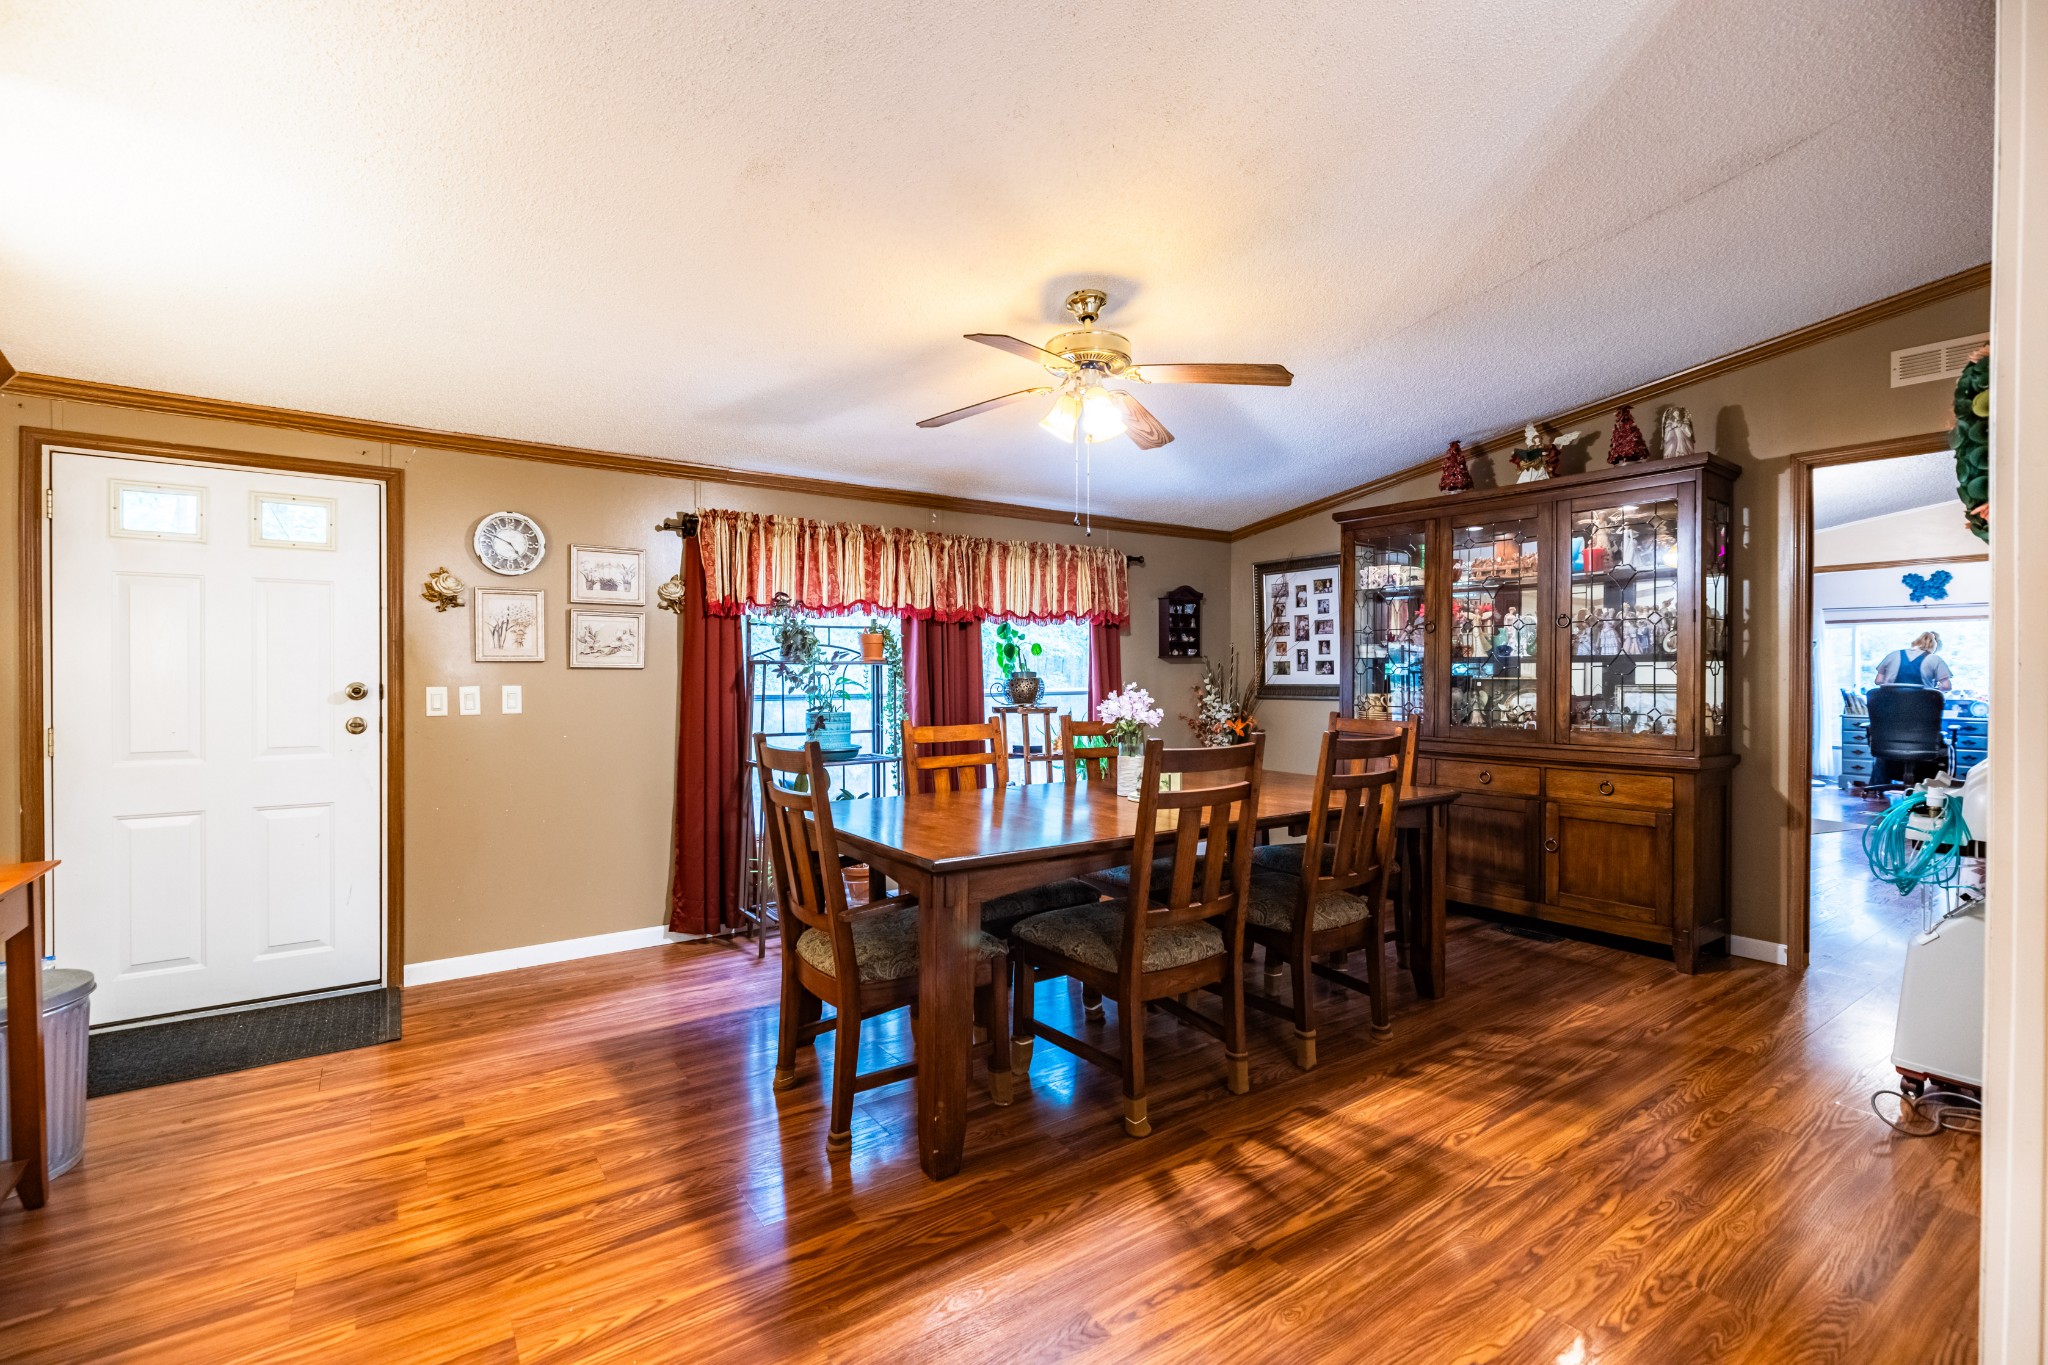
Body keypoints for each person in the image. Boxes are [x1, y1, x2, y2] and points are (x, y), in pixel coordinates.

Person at [1874, 630, 1953, 692]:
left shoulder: (1892, 655)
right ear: (1935, 647)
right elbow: (1946, 686)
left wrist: (1892, 682)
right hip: (1922, 706)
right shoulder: (1935, 659)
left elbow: (1878, 681)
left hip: (1892, 706)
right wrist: (1933, 689)